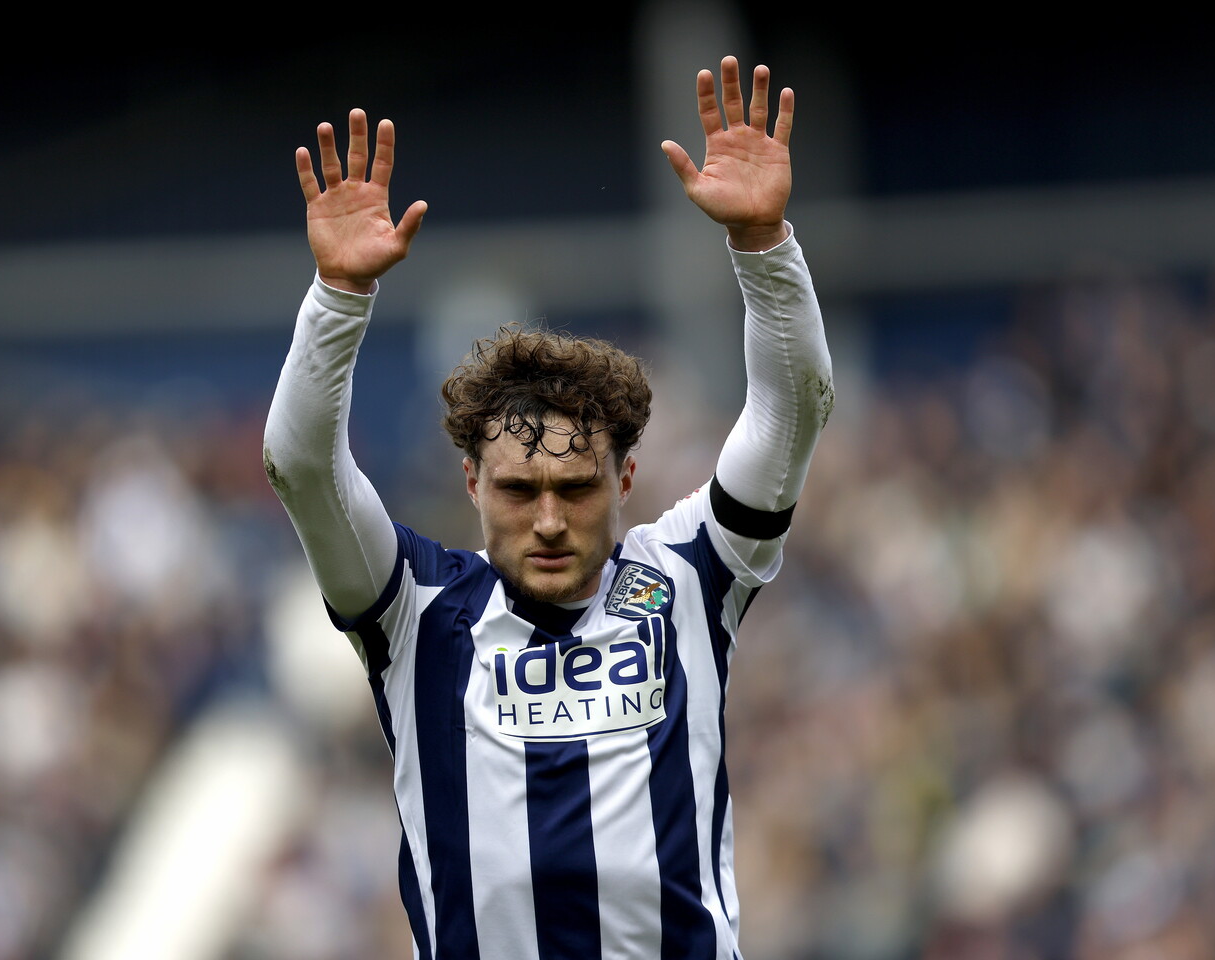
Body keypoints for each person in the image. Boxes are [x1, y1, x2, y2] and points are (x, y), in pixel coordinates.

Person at [264, 55, 833, 960]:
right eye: (519, 490)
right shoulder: (414, 611)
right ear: (472, 485)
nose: (551, 520)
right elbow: (301, 466)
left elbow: (792, 410)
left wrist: (763, 242)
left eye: (576, 488)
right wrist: (339, 297)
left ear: (626, 481)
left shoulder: (691, 574)